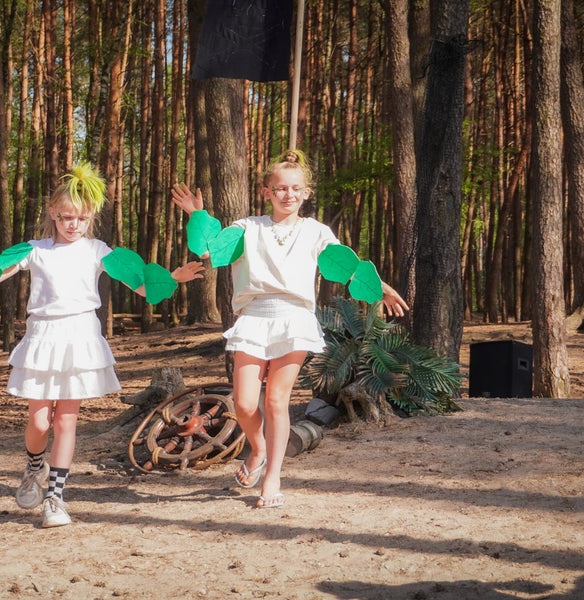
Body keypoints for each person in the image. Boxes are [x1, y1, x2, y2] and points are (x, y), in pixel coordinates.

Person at [0, 162, 204, 528]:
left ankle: (55, 498)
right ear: (53, 214)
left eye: (82, 218)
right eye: (67, 217)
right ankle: (34, 467)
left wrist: (174, 276)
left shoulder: (97, 250)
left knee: (66, 420)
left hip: (80, 338)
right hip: (42, 338)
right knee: (39, 421)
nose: (74, 224)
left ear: (90, 218)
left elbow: (139, 285)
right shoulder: (34, 250)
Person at [171, 150, 408, 509]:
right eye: (281, 188)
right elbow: (209, 251)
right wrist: (196, 215)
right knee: (245, 403)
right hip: (253, 318)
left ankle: (272, 477)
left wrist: (381, 287)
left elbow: (347, 266)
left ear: (306, 193)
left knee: (275, 401)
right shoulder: (248, 227)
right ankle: (258, 449)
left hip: (294, 319)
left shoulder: (316, 232)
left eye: (296, 188)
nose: (288, 194)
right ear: (267, 192)